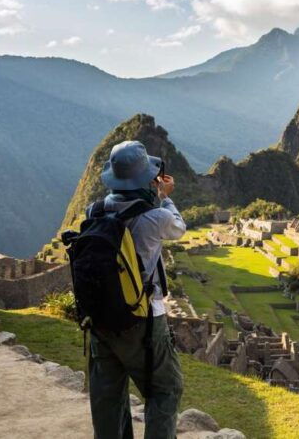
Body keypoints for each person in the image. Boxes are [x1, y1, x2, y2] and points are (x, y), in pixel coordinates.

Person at [88, 140, 185, 439]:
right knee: (165, 390)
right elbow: (179, 229)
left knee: (108, 395)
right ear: (146, 179)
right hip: (143, 319)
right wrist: (164, 197)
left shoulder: (95, 210)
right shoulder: (157, 217)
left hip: (100, 317)